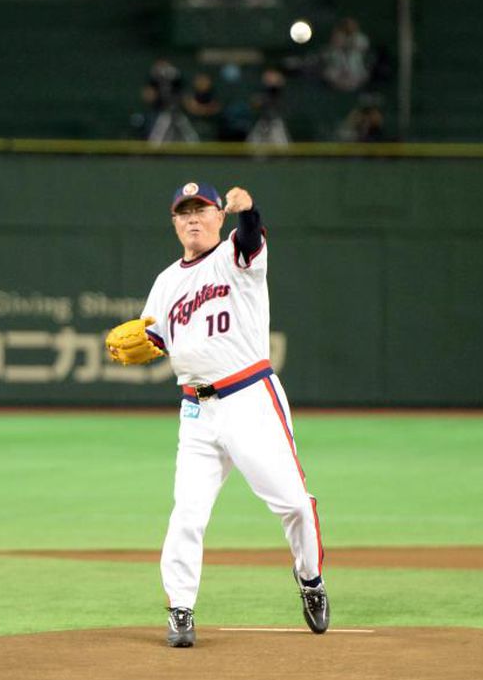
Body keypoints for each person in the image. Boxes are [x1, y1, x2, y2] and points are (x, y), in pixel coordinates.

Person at [103, 181, 327, 648]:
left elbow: (251, 236)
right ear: (174, 223)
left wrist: (249, 209)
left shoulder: (235, 255)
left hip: (250, 398)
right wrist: (145, 343)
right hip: (196, 411)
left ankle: (309, 579)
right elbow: (157, 339)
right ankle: (180, 610)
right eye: (183, 212)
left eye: (201, 210)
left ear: (217, 217)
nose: (192, 219)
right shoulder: (165, 283)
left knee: (294, 503)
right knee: (187, 512)